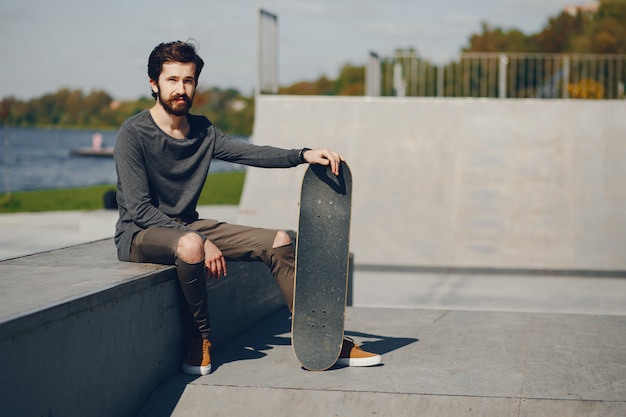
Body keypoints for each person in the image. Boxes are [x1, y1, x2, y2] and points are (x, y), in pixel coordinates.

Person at [113, 41, 381, 375]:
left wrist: (303, 155)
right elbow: (139, 209)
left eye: (188, 80)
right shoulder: (133, 133)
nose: (181, 89)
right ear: (154, 84)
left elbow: (250, 153)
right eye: (172, 80)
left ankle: (323, 338)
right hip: (141, 234)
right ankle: (200, 340)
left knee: (280, 240)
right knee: (193, 244)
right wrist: (198, 238)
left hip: (186, 225)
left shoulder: (203, 130)